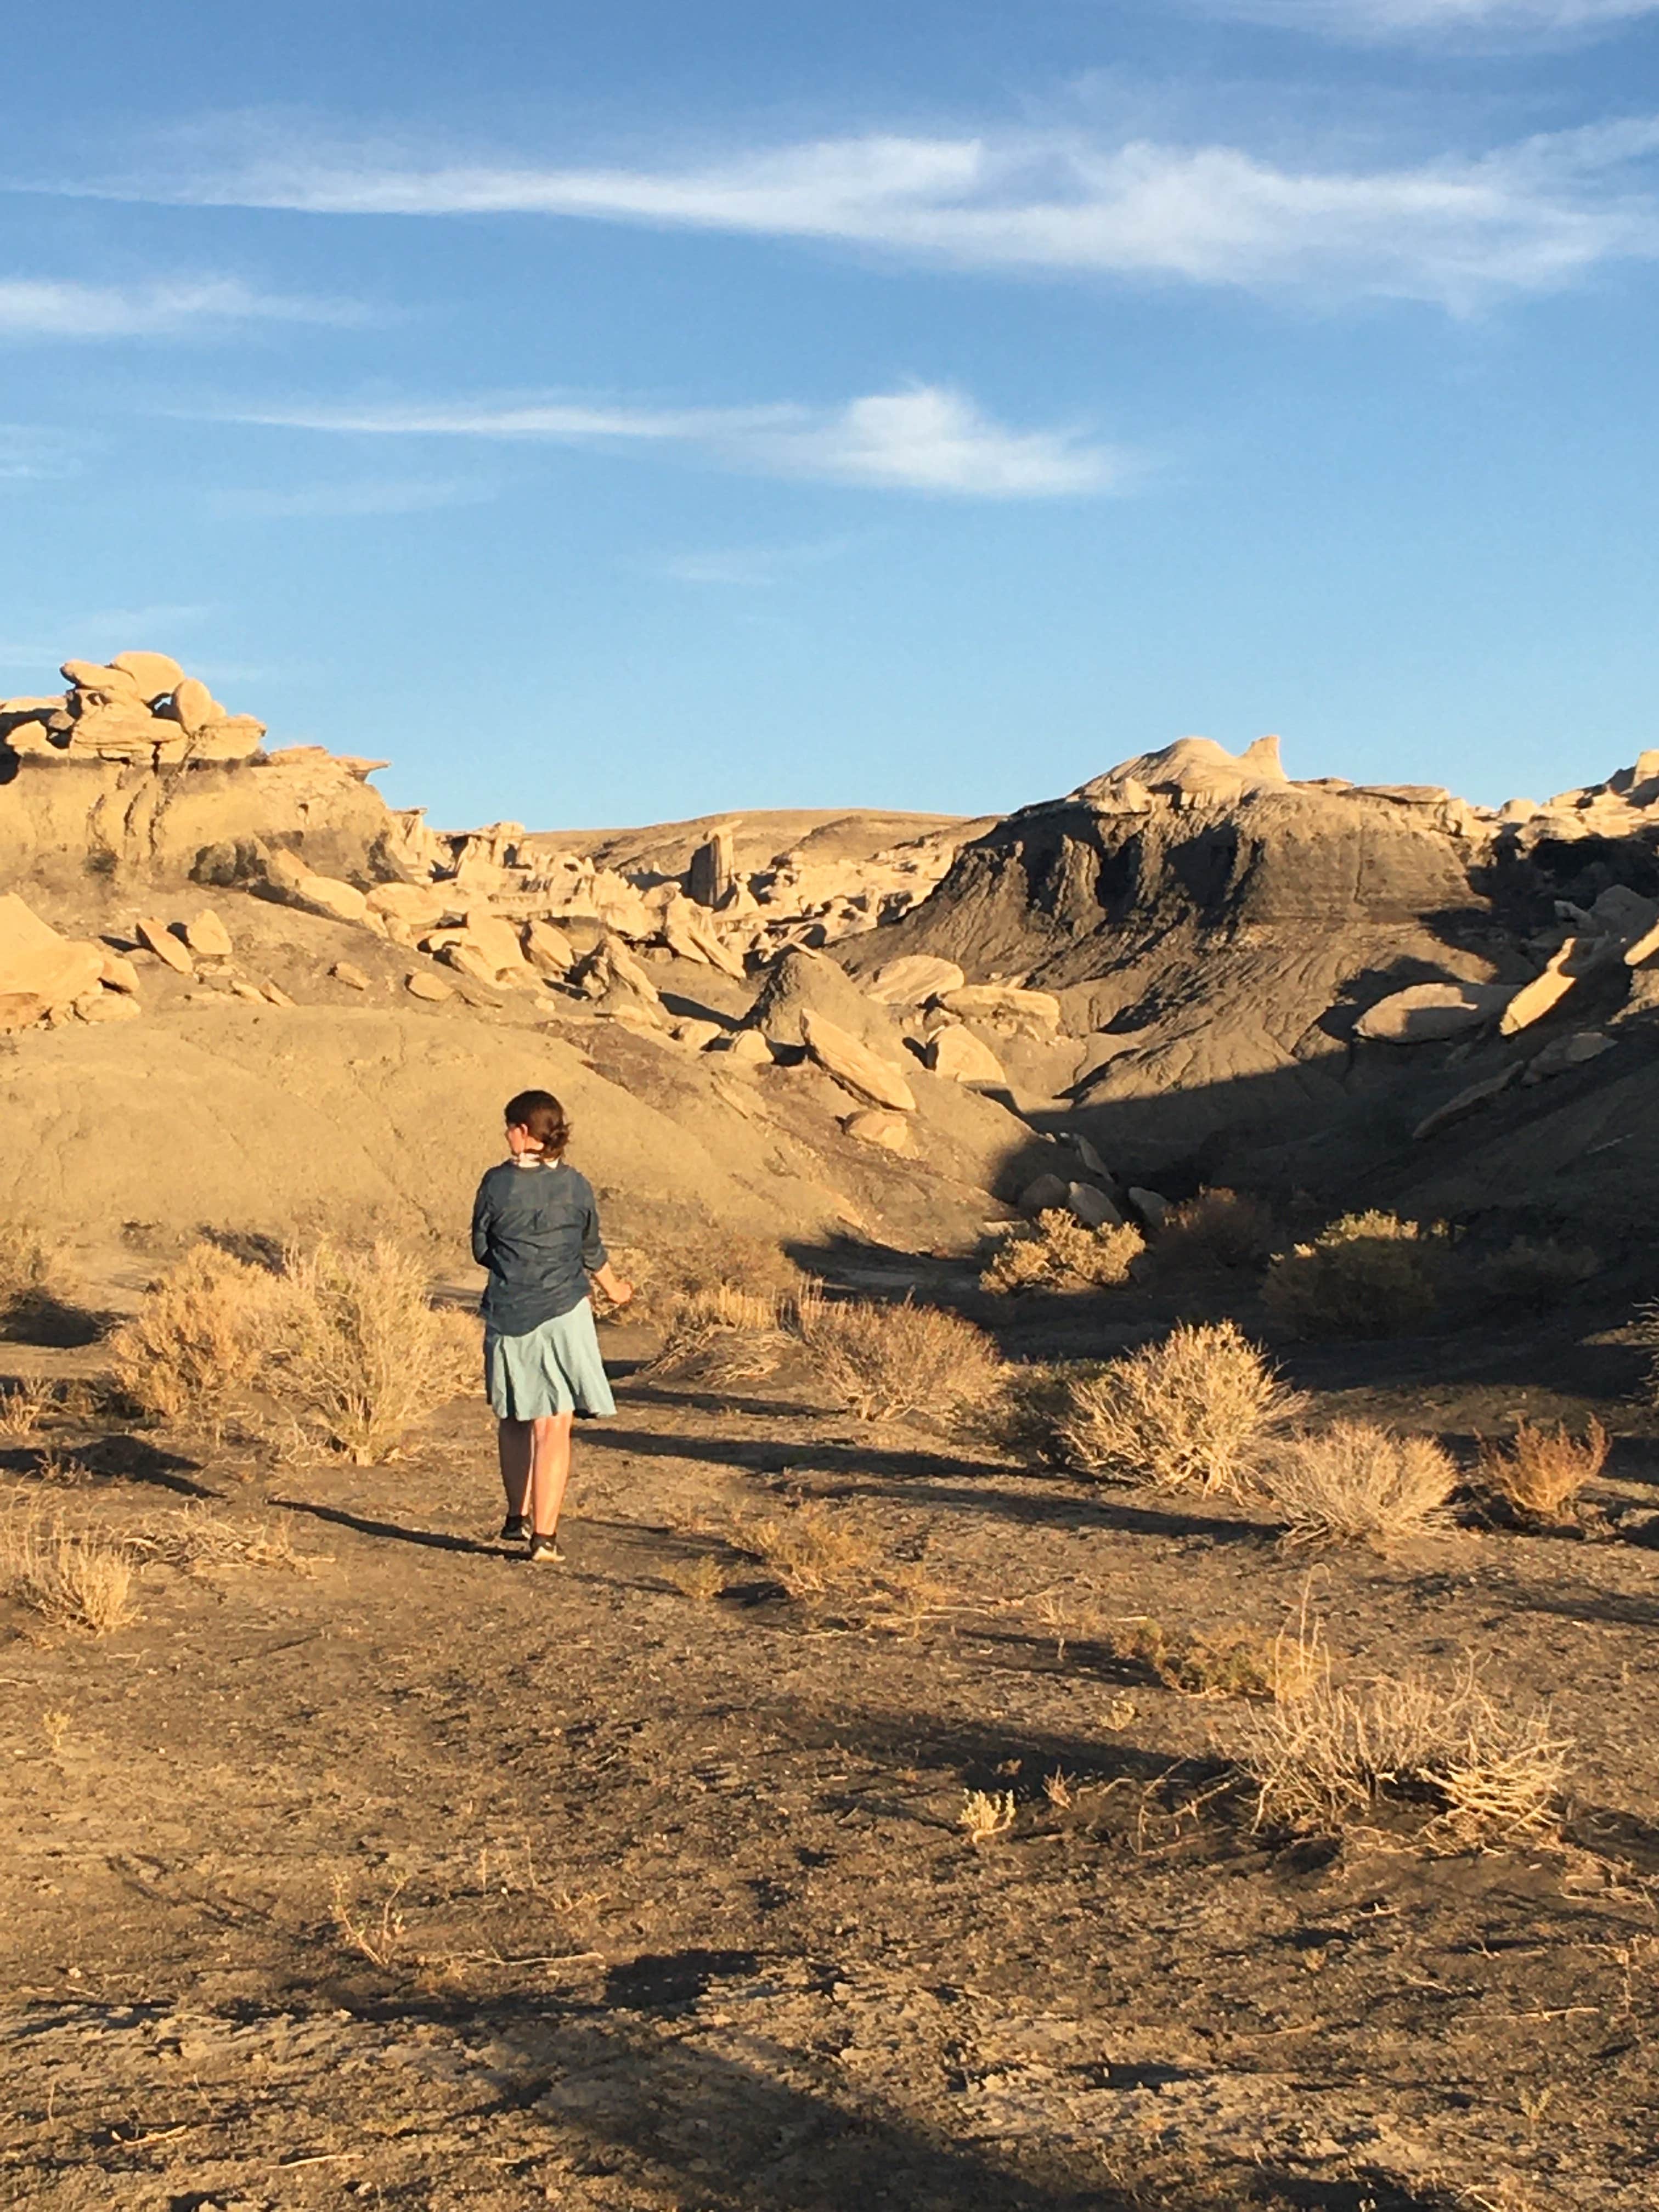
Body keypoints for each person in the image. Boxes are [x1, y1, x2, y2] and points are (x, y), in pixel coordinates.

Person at [470, 1088, 632, 1562]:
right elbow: (591, 1250)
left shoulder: (496, 1184)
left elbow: (480, 1247)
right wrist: (616, 1289)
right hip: (566, 1311)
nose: (505, 1135)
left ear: (523, 1132)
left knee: (516, 1416)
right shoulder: (577, 1185)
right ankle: (545, 1537)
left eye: (508, 1126)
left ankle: (515, 1519)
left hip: (509, 1309)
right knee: (555, 1425)